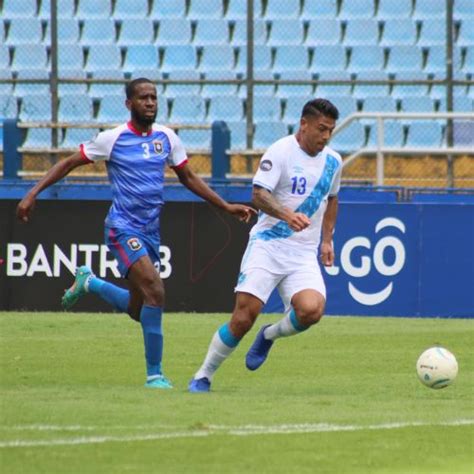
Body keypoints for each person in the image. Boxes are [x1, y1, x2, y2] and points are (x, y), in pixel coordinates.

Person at [16, 78, 255, 389]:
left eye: (154, 97)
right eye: (143, 98)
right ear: (129, 103)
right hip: (121, 228)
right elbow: (68, 163)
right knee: (156, 291)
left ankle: (89, 282)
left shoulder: (167, 138)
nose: (150, 102)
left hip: (150, 232)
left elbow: (188, 176)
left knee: (138, 308)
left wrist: (225, 206)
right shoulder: (112, 139)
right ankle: (155, 375)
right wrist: (32, 193)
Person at [189, 98, 341, 393]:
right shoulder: (281, 152)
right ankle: (203, 375)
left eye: (330, 131)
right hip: (268, 246)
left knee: (312, 310)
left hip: (302, 253)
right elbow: (259, 195)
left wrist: (326, 239)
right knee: (244, 316)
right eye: (321, 129)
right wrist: (286, 214)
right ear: (304, 124)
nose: (325, 136)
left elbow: (332, 199)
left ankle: (269, 335)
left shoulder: (333, 161)